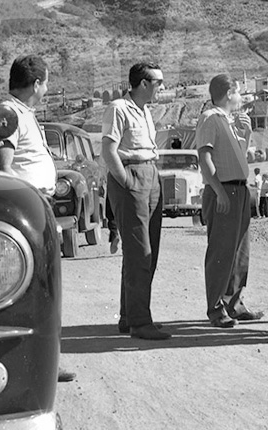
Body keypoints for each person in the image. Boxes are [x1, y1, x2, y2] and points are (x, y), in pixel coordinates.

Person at [0, 54, 76, 382]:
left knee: (43, 287)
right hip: (28, 208)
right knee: (36, 288)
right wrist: (30, 201)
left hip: (37, 204)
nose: (47, 89)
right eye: (47, 82)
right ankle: (37, 365)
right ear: (37, 83)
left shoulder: (22, 112)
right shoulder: (10, 113)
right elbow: (5, 168)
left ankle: (42, 361)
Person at [101, 62, 168, 340]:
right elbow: (108, 149)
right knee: (140, 252)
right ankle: (140, 322)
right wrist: (126, 181)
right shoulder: (119, 108)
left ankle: (129, 316)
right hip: (133, 175)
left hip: (150, 174)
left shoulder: (145, 111)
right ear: (143, 83)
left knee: (145, 251)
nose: (161, 87)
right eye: (158, 82)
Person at [195, 74, 264, 328]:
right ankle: (216, 309)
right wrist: (219, 191)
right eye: (238, 93)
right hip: (223, 190)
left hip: (238, 189)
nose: (241, 98)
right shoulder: (210, 118)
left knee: (239, 253)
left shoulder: (229, 121)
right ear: (228, 94)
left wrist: (245, 133)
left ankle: (234, 303)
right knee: (221, 253)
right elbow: (205, 157)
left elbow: (237, 158)